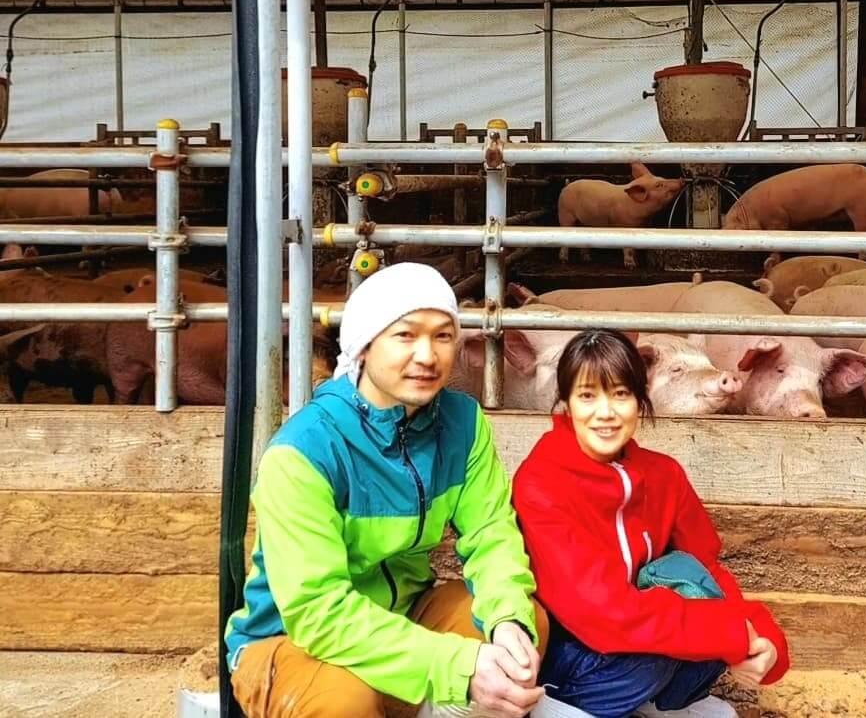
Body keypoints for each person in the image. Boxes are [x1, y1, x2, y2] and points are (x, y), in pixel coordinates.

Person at [226, 262, 548, 718]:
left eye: (443, 336)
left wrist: (508, 618)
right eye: (405, 335)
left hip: (406, 614)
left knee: (521, 636)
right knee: (343, 702)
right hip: (294, 640)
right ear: (364, 343)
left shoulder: (463, 424)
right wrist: (457, 666)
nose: (427, 355)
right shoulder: (304, 451)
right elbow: (318, 612)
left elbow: (492, 534)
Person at [513, 329, 790, 718]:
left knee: (700, 620)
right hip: (570, 651)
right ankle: (560, 703)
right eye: (587, 396)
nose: (605, 413)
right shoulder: (540, 483)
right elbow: (601, 614)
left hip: (632, 639)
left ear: (640, 399)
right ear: (565, 403)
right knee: (661, 654)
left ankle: (645, 702)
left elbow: (707, 570)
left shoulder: (664, 475)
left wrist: (763, 638)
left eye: (620, 394)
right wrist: (728, 633)